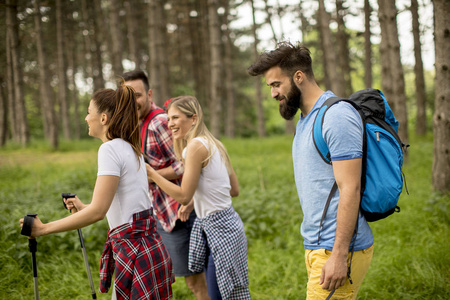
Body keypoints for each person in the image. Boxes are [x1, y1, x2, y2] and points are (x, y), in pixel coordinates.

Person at [19, 84, 174, 300]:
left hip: (135, 254)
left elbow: (98, 212)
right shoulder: (132, 148)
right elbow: (125, 210)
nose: (85, 118)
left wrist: (43, 229)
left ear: (103, 118)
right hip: (151, 250)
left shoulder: (109, 149)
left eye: (88, 112)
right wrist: (84, 208)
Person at [247, 41, 374, 300]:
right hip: (318, 247)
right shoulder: (307, 118)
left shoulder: (336, 116)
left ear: (298, 77)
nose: (273, 94)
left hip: (337, 249)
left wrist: (339, 255)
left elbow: (351, 188)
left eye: (276, 84)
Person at [146, 96, 251, 300]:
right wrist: (195, 202)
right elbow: (232, 189)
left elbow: (184, 195)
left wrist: (153, 175)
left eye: (175, 117)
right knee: (231, 293)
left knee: (220, 295)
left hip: (219, 230)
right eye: (168, 119)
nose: (170, 124)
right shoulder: (215, 143)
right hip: (229, 225)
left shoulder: (193, 147)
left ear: (193, 118)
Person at [122, 70, 209, 300]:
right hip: (162, 215)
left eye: (137, 95)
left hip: (180, 214)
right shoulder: (138, 123)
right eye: (127, 96)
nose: (133, 101)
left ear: (149, 94)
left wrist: (151, 175)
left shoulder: (159, 123)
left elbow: (185, 164)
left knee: (196, 282)